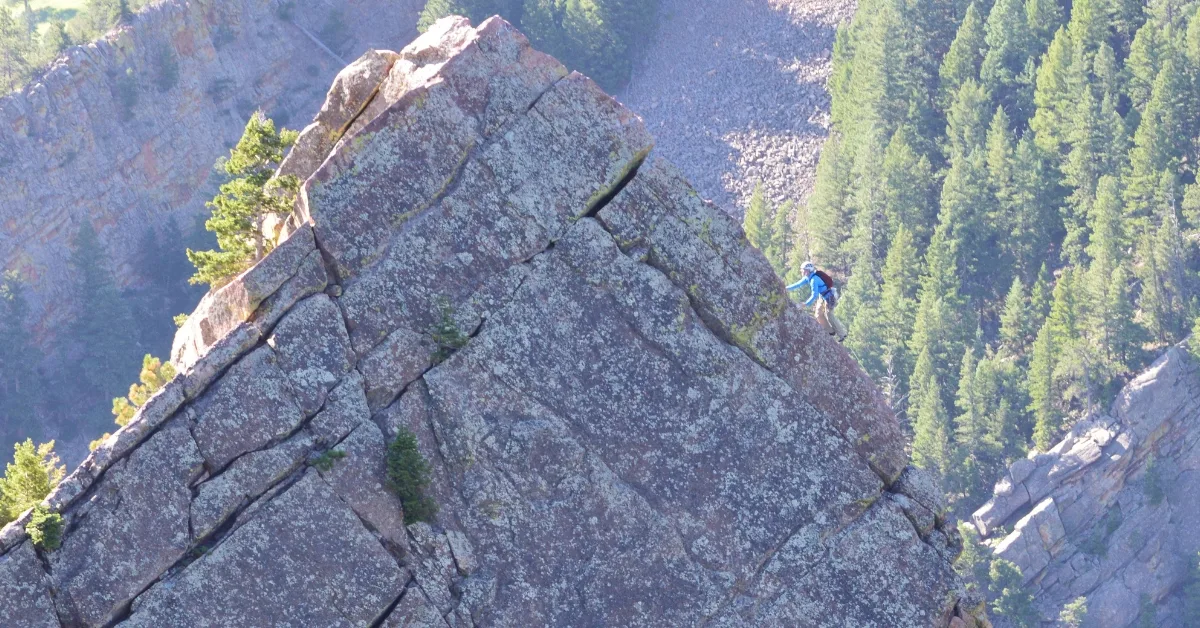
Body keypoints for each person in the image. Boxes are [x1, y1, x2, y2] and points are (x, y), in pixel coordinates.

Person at [786, 261, 847, 342]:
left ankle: (842, 334)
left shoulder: (814, 280)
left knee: (829, 315)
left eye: (802, 270)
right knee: (818, 314)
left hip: (829, 296)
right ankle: (830, 331)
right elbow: (797, 285)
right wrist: (785, 288)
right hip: (822, 296)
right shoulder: (808, 277)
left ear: (807, 270)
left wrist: (805, 304)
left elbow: (814, 295)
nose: (801, 271)